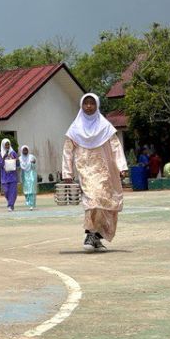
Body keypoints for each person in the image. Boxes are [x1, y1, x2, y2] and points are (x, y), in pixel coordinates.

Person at [61, 93, 127, 251]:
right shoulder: (75, 129)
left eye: (92, 103)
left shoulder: (105, 127)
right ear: (81, 106)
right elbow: (67, 151)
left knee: (104, 202)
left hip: (104, 171)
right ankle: (91, 234)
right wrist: (67, 173)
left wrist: (122, 166)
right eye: (86, 103)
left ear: (97, 106)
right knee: (92, 200)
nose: (89, 106)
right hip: (85, 170)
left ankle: (96, 236)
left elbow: (116, 147)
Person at [0, 138, 19, 211]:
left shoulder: (13, 153)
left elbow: (18, 164)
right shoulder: (0, 154)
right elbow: (0, 165)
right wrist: (3, 158)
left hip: (13, 176)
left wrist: (16, 160)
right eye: (6, 145)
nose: (7, 146)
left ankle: (10, 205)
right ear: (3, 145)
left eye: (8, 144)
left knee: (13, 192)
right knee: (6, 191)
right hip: (4, 176)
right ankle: (10, 202)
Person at [19, 144, 38, 209]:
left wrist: (33, 162)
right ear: (22, 151)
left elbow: (35, 163)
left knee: (31, 189)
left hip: (31, 174)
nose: (25, 151)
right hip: (24, 176)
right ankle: (28, 201)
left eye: (26, 150)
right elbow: (18, 166)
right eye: (24, 150)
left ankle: (31, 204)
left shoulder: (31, 157)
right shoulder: (20, 158)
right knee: (26, 190)